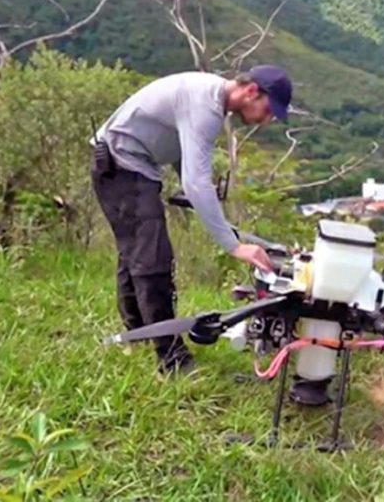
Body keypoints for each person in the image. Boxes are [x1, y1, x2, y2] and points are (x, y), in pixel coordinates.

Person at [90, 65, 290, 375]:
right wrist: (234, 246)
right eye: (267, 110)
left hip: (126, 164)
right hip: (122, 165)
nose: (266, 121)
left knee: (137, 253)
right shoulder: (206, 107)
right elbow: (196, 182)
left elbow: (180, 153)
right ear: (251, 91)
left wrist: (199, 197)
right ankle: (171, 359)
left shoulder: (210, 96)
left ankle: (138, 332)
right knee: (153, 262)